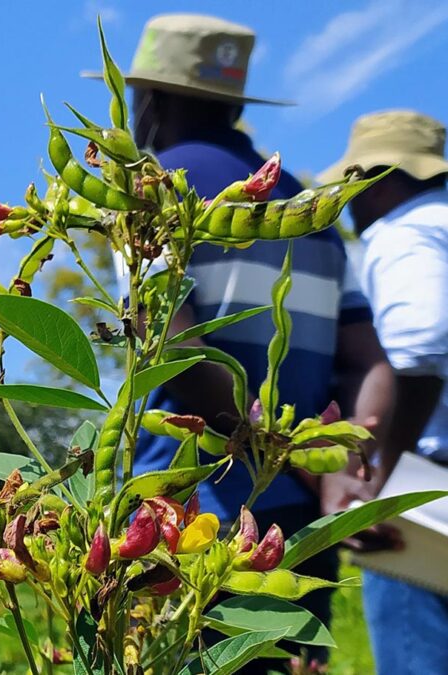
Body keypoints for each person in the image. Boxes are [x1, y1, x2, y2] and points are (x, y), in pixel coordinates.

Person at [92, 13, 394, 668]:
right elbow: (369, 361)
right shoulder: (309, 209)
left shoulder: (152, 190)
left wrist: (268, 447)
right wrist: (343, 464)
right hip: (300, 523)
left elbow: (177, 350)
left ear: (154, 98)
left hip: (185, 512)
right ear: (233, 102)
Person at [319, 109, 448, 674]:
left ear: (378, 179)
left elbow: (421, 346)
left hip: (429, 488)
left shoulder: (405, 233)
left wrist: (381, 480)